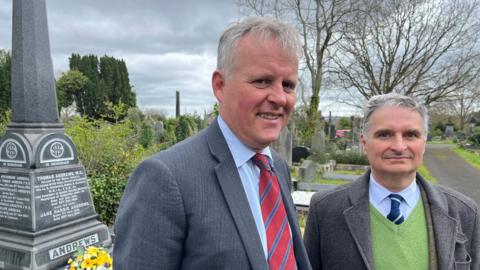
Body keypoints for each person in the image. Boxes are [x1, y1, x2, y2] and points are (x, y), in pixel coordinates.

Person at [113, 17, 312, 270]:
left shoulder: (278, 168)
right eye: (262, 81)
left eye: (288, 85)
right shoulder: (164, 178)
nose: (279, 98)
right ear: (220, 86)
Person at [303, 93, 479, 270]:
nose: (399, 146)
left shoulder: (464, 212)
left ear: (424, 143)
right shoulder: (325, 210)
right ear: (364, 142)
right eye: (385, 134)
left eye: (410, 135)